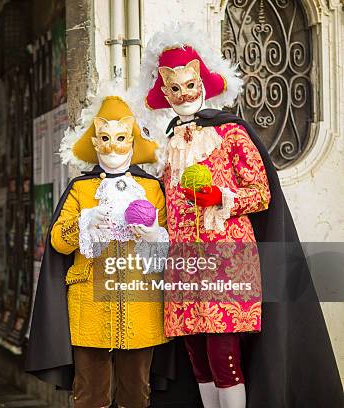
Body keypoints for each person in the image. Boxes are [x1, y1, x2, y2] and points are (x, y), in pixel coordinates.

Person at [137, 24, 343, 408]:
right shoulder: (164, 146)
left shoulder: (230, 134)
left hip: (227, 260)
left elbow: (261, 193)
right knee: (197, 357)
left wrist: (221, 196)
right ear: (164, 92)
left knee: (223, 355)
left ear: (203, 81)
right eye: (175, 88)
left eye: (189, 84)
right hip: (182, 264)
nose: (184, 94)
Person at [26, 95, 183, 408]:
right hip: (89, 303)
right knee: (90, 392)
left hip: (141, 304)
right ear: (95, 142)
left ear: (133, 140)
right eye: (106, 139)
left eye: (121, 138)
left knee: (137, 391)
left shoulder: (152, 188)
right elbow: (58, 241)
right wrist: (85, 221)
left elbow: (171, 246)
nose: (113, 147)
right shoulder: (81, 188)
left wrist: (154, 234)